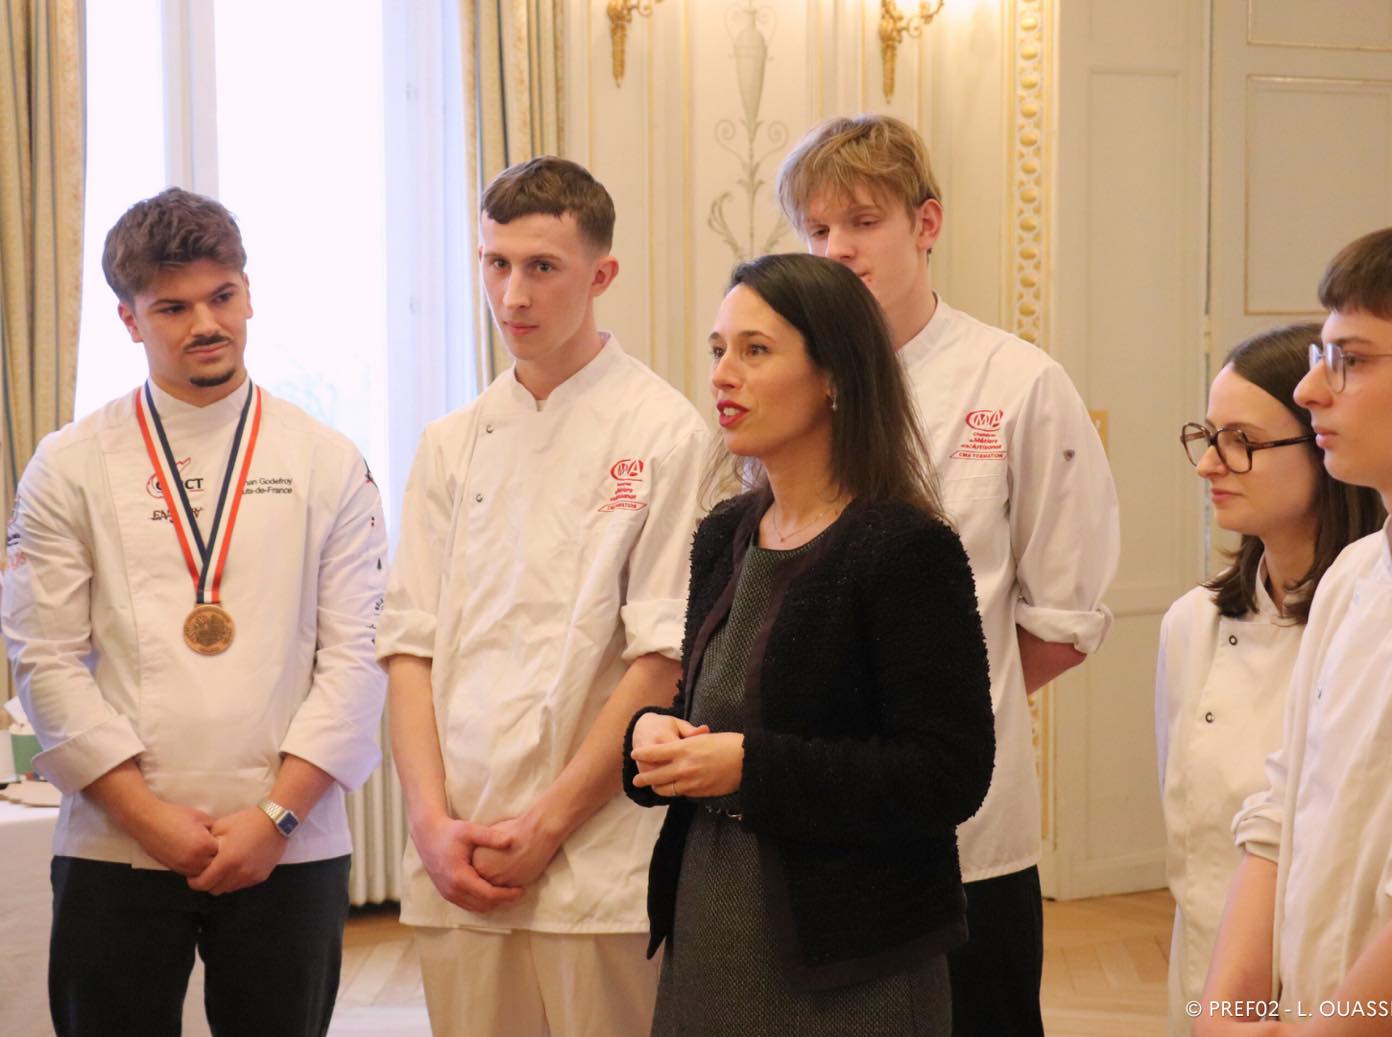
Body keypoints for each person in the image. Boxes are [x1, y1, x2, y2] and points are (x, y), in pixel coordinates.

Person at [1, 188, 388, 1036]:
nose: (204, 323)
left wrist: (275, 816)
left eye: (222, 296)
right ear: (130, 320)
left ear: (248, 293)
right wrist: (151, 820)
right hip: (117, 841)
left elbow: (357, 657)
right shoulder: (68, 465)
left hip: (289, 838)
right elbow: (45, 659)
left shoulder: (326, 460)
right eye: (172, 307)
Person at [776, 113, 1120, 1035]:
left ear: (925, 224)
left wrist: (938, 712)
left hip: (968, 828)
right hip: (808, 812)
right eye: (817, 229)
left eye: (862, 222)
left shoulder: (1016, 382)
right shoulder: (785, 381)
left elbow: (1060, 619)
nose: (837, 249)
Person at [622, 252, 996, 1036]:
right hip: (706, 939)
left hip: (852, 962)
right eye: (718, 349)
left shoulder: (904, 548)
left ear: (835, 376)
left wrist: (751, 768)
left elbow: (946, 774)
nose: (724, 374)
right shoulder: (725, 533)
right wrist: (652, 736)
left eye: (756, 351)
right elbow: (705, 708)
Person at [379, 156, 709, 1037]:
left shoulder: (667, 432)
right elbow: (408, 647)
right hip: (461, 847)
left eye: (542, 267)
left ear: (600, 275)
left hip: (596, 856)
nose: (513, 295)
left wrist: (549, 824)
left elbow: (662, 660)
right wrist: (430, 823)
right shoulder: (451, 442)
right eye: (496, 264)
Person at [1197, 220, 1392, 1035]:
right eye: (1319, 356)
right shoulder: (1354, 576)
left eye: (1354, 359)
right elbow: (1281, 811)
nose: (1310, 392)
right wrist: (1225, 1012)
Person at [1156, 324, 1383, 1036]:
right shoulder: (1192, 624)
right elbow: (1191, 850)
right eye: (1208, 434)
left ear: (1325, 445)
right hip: (1204, 982)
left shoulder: (1382, 623)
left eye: (1243, 441)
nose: (1210, 465)